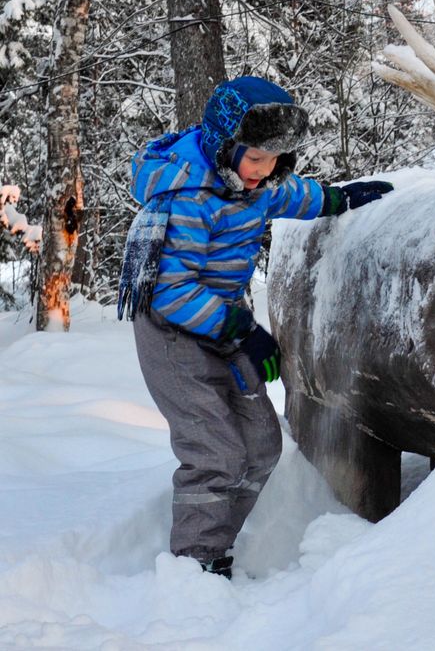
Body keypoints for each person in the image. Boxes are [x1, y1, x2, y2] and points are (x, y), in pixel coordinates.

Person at [117, 75, 392, 579]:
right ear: (225, 146)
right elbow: (170, 291)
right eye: (255, 159)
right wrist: (242, 330)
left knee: (262, 445)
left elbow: (292, 197)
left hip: (221, 321)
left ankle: (216, 536)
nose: (262, 174)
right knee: (216, 451)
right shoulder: (189, 196)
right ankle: (196, 562)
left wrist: (339, 200)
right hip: (172, 332)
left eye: (273, 163)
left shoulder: (257, 183)